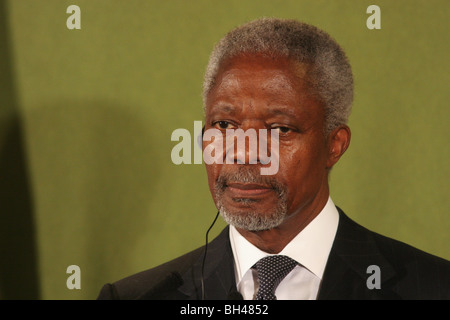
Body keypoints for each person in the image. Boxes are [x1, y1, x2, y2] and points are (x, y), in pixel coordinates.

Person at [97, 18, 450, 300]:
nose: (245, 151)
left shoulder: (434, 288)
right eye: (224, 124)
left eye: (279, 129)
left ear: (334, 145)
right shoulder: (138, 296)